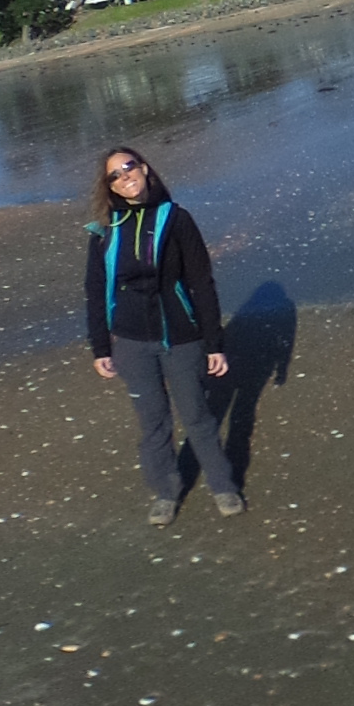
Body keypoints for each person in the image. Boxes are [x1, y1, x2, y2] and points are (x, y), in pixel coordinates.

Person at [82, 145, 240, 522]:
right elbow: (95, 290)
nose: (124, 176)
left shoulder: (177, 219)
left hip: (181, 337)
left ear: (144, 169)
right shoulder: (105, 231)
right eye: (114, 175)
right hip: (131, 344)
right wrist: (100, 348)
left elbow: (201, 282)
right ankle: (166, 493)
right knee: (153, 422)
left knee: (196, 415)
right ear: (109, 186)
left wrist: (214, 343)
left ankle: (223, 486)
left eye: (129, 167)